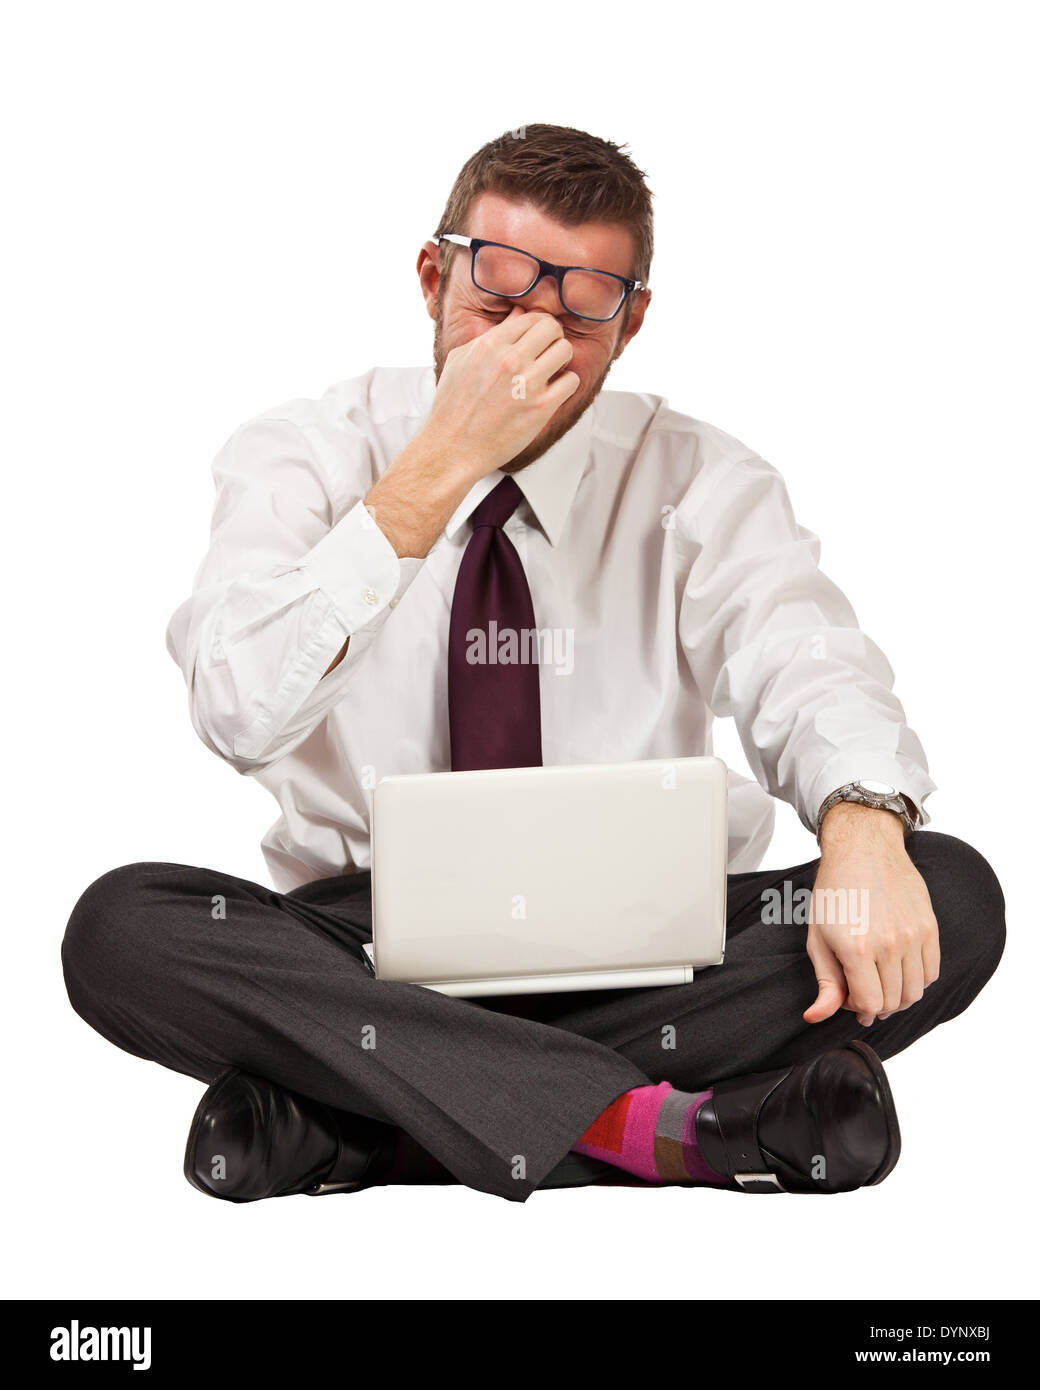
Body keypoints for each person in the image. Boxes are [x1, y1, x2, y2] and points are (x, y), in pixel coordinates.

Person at [61, 124, 1005, 1204]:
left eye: (580, 304)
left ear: (630, 320)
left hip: (652, 950)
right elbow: (235, 711)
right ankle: (668, 1127)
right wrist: (439, 466)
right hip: (367, 954)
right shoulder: (301, 452)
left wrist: (861, 824)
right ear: (432, 275)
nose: (530, 341)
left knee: (950, 894)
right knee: (119, 929)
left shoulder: (699, 473)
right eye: (498, 296)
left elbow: (806, 656)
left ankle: (369, 1127)